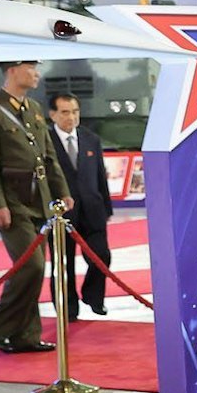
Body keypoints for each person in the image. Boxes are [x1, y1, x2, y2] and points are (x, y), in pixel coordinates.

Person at [0, 61, 71, 354]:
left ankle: (26, 334)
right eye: (31, 67)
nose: (36, 73)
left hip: (38, 199)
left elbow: (48, 156)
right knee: (31, 265)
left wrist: (61, 190)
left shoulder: (34, 109)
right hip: (11, 202)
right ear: (13, 69)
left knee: (35, 270)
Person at [46, 93, 113, 319]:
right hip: (61, 214)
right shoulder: (45, 141)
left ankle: (94, 297)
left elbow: (100, 176)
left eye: (75, 111)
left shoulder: (90, 139)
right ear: (52, 114)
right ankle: (68, 308)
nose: (71, 117)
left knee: (101, 256)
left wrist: (107, 208)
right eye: (65, 112)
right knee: (63, 264)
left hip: (93, 211)